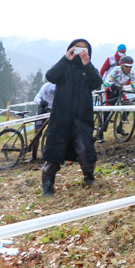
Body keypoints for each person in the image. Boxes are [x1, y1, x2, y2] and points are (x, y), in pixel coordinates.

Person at [41, 39, 103, 195]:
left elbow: (97, 83)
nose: (80, 52)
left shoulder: (89, 69)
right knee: (54, 152)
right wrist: (65, 59)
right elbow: (51, 76)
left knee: (85, 150)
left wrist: (87, 64)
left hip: (82, 119)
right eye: (77, 48)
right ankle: (48, 185)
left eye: (84, 49)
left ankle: (89, 177)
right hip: (61, 118)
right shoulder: (64, 67)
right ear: (71, 49)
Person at [97, 55, 135, 141]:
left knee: (129, 106)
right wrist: (110, 86)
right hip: (109, 90)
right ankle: (100, 132)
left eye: (130, 67)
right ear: (122, 65)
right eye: (127, 66)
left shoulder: (131, 73)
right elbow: (105, 81)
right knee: (108, 111)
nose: (128, 69)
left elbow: (134, 82)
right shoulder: (116, 70)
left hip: (120, 91)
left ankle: (120, 128)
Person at [29, 81, 56, 160]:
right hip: (42, 110)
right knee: (37, 134)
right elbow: (36, 98)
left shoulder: (62, 86)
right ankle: (34, 156)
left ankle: (50, 154)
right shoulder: (46, 85)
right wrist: (41, 102)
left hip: (53, 111)